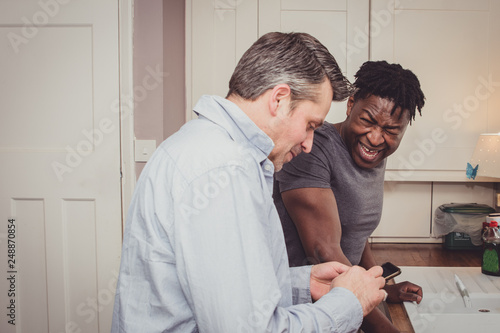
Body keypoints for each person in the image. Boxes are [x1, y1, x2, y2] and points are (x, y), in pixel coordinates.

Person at [111, 32, 387, 333]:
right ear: (279, 100)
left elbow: (216, 287)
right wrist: (349, 303)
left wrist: (299, 284)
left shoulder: (202, 145)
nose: (309, 143)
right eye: (310, 125)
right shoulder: (224, 171)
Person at [273, 60, 426, 333]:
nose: (376, 138)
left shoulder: (372, 153)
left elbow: (357, 232)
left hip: (346, 297)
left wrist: (383, 290)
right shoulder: (313, 148)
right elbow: (323, 251)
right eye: (368, 121)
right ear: (350, 104)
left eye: (391, 130)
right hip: (304, 310)